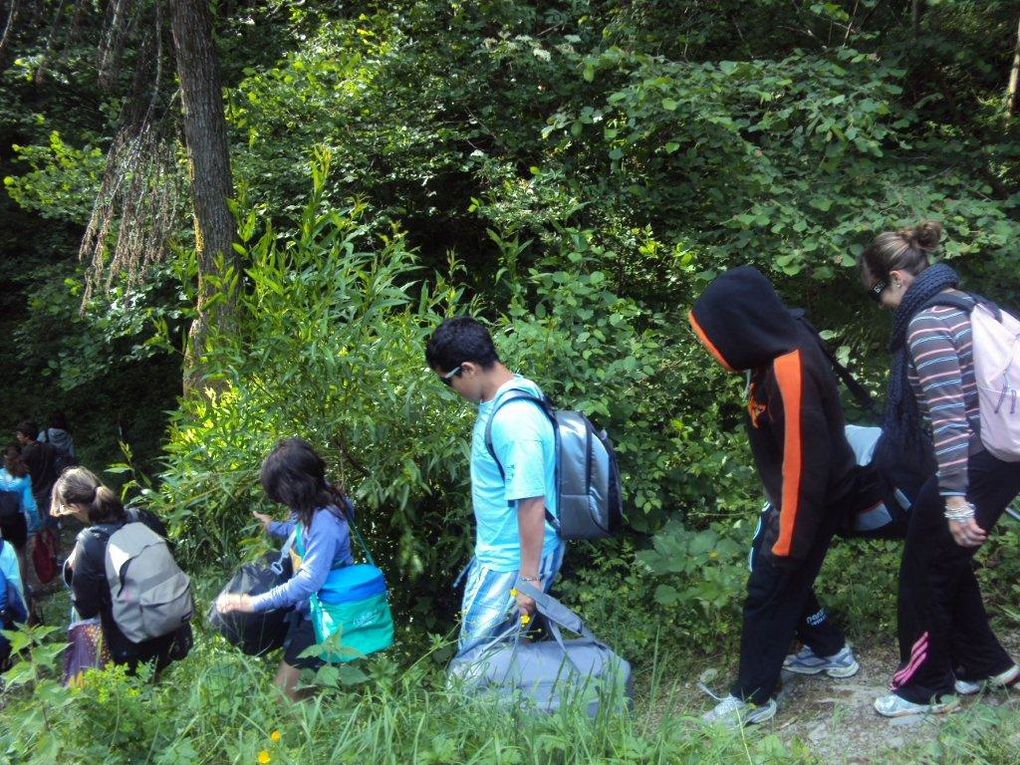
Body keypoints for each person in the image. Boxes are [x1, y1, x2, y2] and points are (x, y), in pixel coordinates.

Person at [689, 266, 867, 726]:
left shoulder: (789, 367)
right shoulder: (773, 345)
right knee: (785, 581)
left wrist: (787, 538)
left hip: (811, 497)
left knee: (768, 589)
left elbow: (804, 465)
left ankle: (753, 697)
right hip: (799, 494)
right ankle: (831, 651)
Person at [858, 221, 1020, 717]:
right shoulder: (973, 305)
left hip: (973, 463)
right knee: (947, 562)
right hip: (1002, 455)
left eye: (877, 291)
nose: (881, 302)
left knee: (924, 570)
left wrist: (954, 498)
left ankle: (924, 687)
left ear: (898, 279)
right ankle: (985, 664)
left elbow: (950, 420)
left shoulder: (928, 323)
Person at [425, 316, 564, 653]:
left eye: (448, 381)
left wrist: (528, 581)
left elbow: (531, 500)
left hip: (509, 562)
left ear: (469, 369)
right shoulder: (517, 391)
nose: (452, 390)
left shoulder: (514, 421)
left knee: (476, 663)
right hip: (509, 554)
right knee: (509, 659)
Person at [216, 438, 356, 701]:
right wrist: (272, 527)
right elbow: (300, 533)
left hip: (324, 616)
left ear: (296, 488)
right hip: (312, 611)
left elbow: (308, 581)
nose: (281, 502)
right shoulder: (321, 502)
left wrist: (251, 602)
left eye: (281, 495)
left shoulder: (324, 520)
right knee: (306, 693)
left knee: (283, 696)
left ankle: (302, 737)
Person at [52, 467, 191, 673]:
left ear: (74, 507)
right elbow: (171, 556)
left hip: (131, 649)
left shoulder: (89, 543)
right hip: (172, 630)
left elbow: (86, 608)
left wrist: (72, 570)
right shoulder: (143, 517)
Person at [0, 446, 42, 590]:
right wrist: (36, 524)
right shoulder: (24, 477)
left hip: (1, 521)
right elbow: (30, 506)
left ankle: (5, 585)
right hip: (17, 519)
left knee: (2, 552)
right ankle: (22, 586)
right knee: (20, 553)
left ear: (5, 459)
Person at [15, 421, 58, 521]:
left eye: (19, 434)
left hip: (34, 492)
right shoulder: (49, 447)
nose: (17, 437)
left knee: (35, 527)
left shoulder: (26, 452)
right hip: (50, 490)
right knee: (52, 524)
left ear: (27, 436)